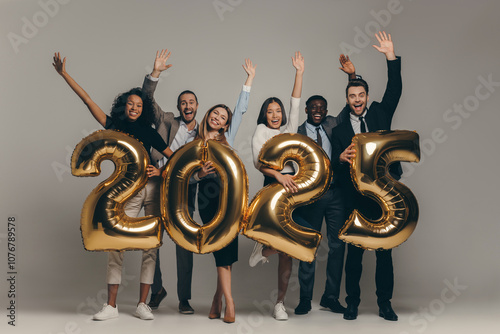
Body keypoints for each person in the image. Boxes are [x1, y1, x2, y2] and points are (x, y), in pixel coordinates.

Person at [53, 52, 172, 321]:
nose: (134, 108)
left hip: (151, 188)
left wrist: (162, 171)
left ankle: (143, 304)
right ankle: (111, 305)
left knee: (151, 245)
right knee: (115, 244)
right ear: (124, 106)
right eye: (130, 104)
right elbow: (87, 100)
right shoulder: (113, 125)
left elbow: (174, 157)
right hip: (124, 191)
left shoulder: (149, 130)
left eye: (139, 105)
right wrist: (64, 75)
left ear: (144, 109)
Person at [330, 31, 403, 321]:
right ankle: (352, 303)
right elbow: (335, 162)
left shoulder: (379, 115)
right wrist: (339, 157)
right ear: (346, 98)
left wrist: (390, 56)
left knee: (384, 253)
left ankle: (385, 303)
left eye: (361, 95)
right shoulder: (338, 129)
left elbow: (395, 89)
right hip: (355, 196)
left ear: (367, 97)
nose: (357, 100)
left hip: (385, 195)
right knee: (355, 254)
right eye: (352, 96)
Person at [186, 59, 256, 324]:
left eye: (222, 117)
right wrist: (198, 175)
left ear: (227, 125)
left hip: (230, 199)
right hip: (207, 199)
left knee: (225, 250)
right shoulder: (194, 141)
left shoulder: (229, 136)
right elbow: (183, 176)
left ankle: (219, 302)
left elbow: (241, 109)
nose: (218, 118)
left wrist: (249, 79)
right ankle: (229, 302)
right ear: (208, 117)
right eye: (215, 114)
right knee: (220, 249)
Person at [293, 55, 360, 316]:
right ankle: (305, 299)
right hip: (309, 198)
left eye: (322, 107)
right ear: (308, 110)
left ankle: (330, 296)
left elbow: (352, 104)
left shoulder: (334, 124)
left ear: (327, 110)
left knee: (337, 246)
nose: (318, 110)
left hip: (336, 195)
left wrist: (351, 75)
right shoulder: (298, 132)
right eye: (313, 107)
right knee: (307, 246)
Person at [249, 51, 309, 321]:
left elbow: (296, 104)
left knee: (289, 248)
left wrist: (299, 73)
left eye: (278, 111)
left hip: (294, 188)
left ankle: (280, 303)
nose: (275, 114)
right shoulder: (262, 130)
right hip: (273, 185)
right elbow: (257, 163)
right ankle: (262, 248)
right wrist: (279, 175)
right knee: (285, 241)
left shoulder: (289, 129)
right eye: (270, 111)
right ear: (265, 114)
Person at [141, 49, 199, 314]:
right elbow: (146, 99)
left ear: (197, 106)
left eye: (191, 103)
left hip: (183, 194)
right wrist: (155, 73)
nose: (187, 106)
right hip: (154, 185)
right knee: (153, 240)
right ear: (179, 107)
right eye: (183, 103)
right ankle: (157, 290)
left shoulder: (203, 137)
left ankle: (184, 298)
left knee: (184, 246)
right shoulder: (165, 120)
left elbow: (196, 170)